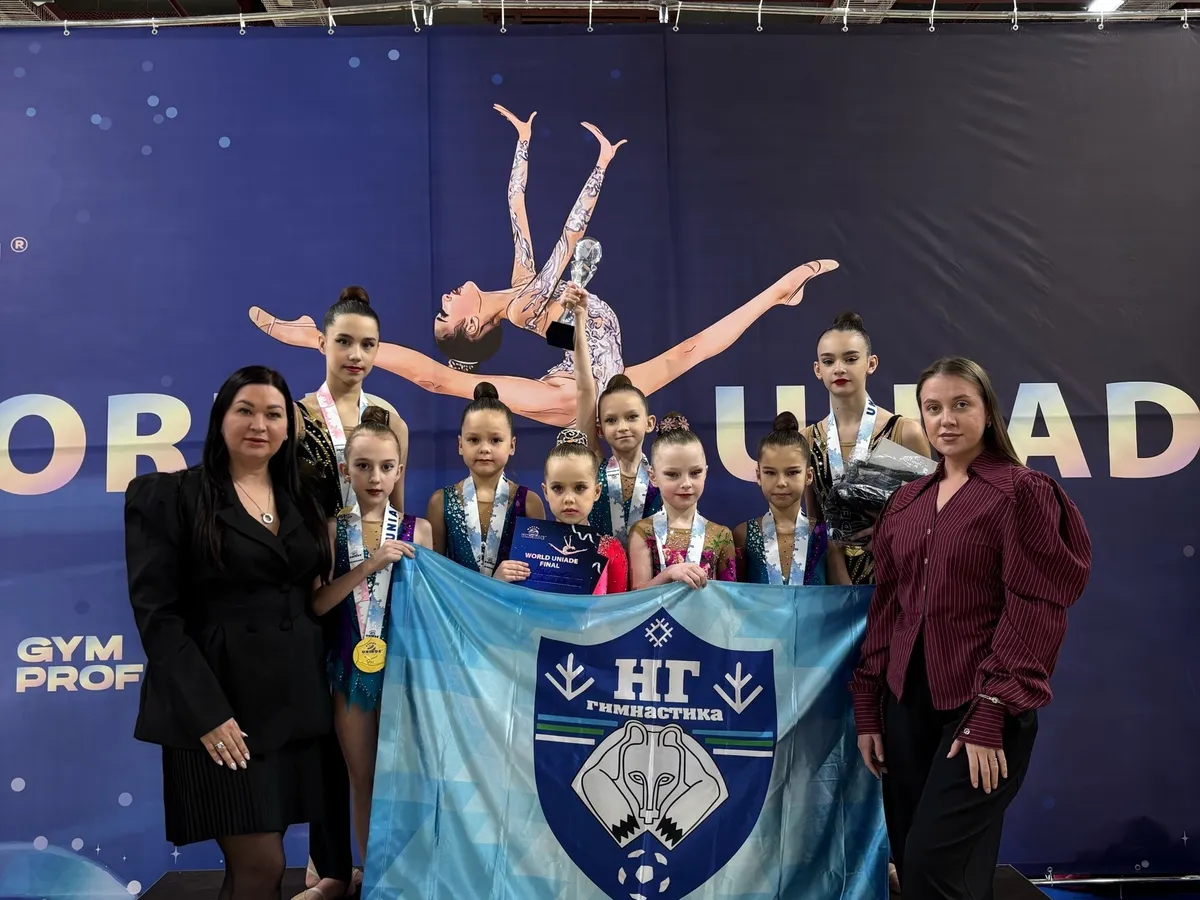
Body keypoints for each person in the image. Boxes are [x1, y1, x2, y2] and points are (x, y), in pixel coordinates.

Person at [249, 105, 839, 427]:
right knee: (445, 381)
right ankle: (321, 339)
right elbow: (568, 238)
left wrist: (524, 142)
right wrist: (601, 167)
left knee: (691, 351)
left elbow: (516, 206)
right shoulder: (525, 305)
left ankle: (779, 292)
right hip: (587, 392)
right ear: (473, 324)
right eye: (446, 312)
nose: (446, 297)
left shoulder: (519, 291)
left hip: (592, 374)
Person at [849, 357, 1092, 900]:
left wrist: (994, 708)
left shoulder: (1022, 492)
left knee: (934, 867)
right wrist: (868, 704)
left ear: (988, 411)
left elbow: (1036, 607)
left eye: (961, 404)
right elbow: (887, 607)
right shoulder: (906, 502)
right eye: (933, 408)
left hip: (980, 707)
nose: (946, 419)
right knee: (925, 868)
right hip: (905, 707)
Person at [124, 366, 334, 900]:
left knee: (263, 869)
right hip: (220, 714)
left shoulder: (304, 496)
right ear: (220, 419)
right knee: (261, 866)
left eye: (273, 414)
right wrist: (208, 716)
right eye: (246, 410)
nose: (259, 424)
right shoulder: (171, 496)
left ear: (289, 427)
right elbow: (158, 618)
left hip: (294, 709)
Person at [290, 286, 407, 900]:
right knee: (324, 741)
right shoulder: (297, 417)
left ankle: (376, 867)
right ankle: (330, 867)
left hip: (374, 599)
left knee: (375, 752)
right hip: (313, 580)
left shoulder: (391, 418)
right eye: (344, 342)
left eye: (368, 344)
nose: (356, 354)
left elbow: (399, 519)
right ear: (322, 343)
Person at [310, 407, 431, 885]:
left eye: (385, 467)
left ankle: (411, 877)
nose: (375, 477)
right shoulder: (329, 530)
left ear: (399, 470)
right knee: (363, 779)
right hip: (348, 672)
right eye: (363, 466)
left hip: (403, 673)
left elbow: (434, 607)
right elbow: (319, 603)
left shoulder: (419, 530)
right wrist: (369, 565)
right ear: (346, 470)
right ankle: (375, 877)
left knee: (406, 782)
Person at [565, 285, 662, 544]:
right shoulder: (595, 464)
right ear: (599, 429)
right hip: (600, 569)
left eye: (631, 417)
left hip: (652, 570)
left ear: (649, 423)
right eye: (611, 420)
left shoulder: (664, 475)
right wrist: (579, 318)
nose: (622, 427)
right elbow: (585, 388)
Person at [426, 382, 545, 580]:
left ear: (512, 445)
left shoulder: (529, 503)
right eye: (474, 440)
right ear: (460, 444)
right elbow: (435, 574)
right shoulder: (440, 502)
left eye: (495, 440)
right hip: (458, 600)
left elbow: (538, 574)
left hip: (511, 600)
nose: (484, 449)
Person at [628, 414, 736, 589]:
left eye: (695, 473)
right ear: (653, 477)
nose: (686, 483)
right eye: (672, 474)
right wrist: (669, 574)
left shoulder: (721, 535)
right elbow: (637, 596)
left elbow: (729, 596)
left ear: (706, 472)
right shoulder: (643, 532)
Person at [734, 412, 835, 586]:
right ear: (758, 475)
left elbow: (845, 595)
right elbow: (731, 593)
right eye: (770, 473)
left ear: (808, 476)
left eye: (792, 472)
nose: (781, 482)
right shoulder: (742, 534)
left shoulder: (826, 536)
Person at [541, 429, 630, 594]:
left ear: (596, 491)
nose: (569, 498)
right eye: (558, 488)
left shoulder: (611, 550)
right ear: (546, 492)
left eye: (579, 488)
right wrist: (502, 578)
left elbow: (619, 607)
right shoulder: (532, 545)